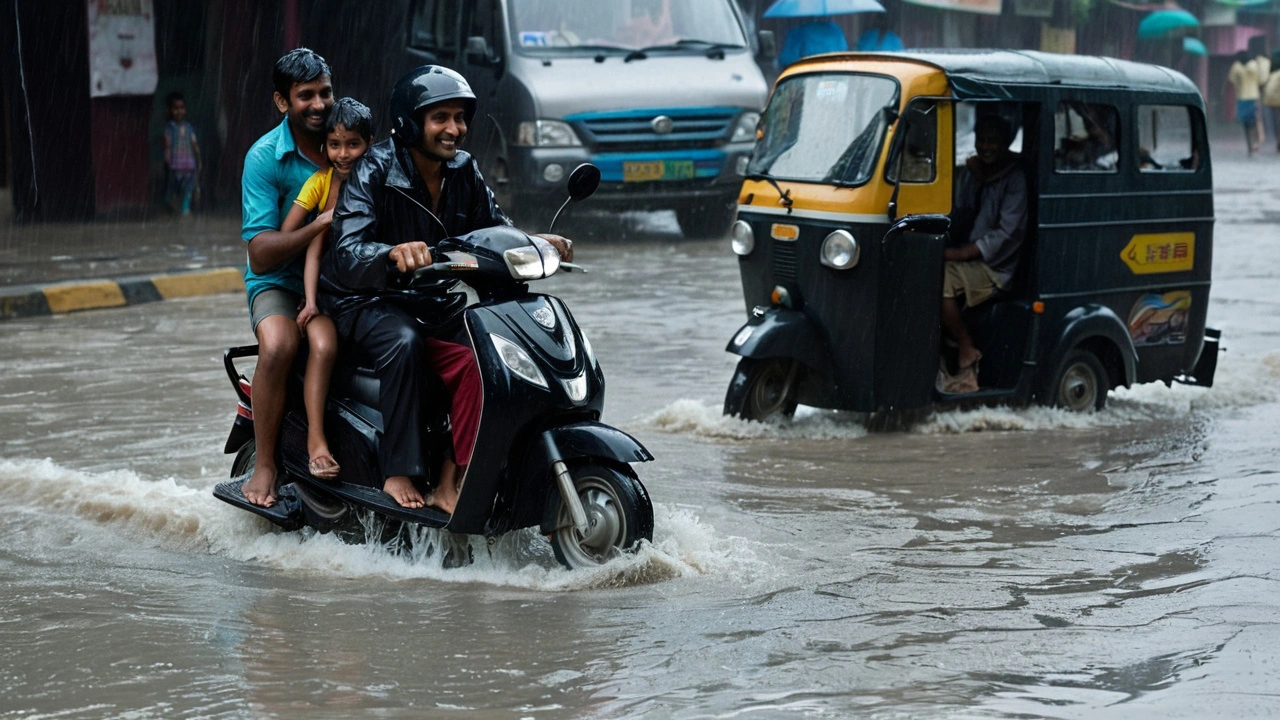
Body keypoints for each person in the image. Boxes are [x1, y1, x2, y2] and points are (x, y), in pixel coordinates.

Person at [319, 65, 574, 513]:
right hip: (364, 300)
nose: (454, 129)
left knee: (489, 349)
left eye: (459, 117)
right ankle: (399, 470)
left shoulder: (464, 169)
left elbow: (494, 229)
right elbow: (348, 252)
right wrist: (391, 253)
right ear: (409, 122)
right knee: (404, 341)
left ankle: (453, 477)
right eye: (441, 118)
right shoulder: (373, 170)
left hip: (429, 298)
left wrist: (535, 242)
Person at [240, 48, 336, 507]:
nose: (319, 105)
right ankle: (265, 463)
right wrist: (318, 224)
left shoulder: (351, 144)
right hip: (279, 284)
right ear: (283, 102)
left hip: (341, 283)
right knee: (279, 345)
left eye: (325, 92)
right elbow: (260, 255)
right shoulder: (264, 158)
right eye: (306, 96)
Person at [276, 97, 374, 482]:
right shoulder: (320, 183)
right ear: (324, 147)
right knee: (323, 346)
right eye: (335, 145)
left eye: (353, 144)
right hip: (327, 296)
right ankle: (316, 439)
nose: (343, 153)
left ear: (370, 143)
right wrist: (312, 302)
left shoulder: (379, 180)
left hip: (368, 297)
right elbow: (299, 242)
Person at [939, 114, 1027, 393]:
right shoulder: (971, 173)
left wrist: (963, 253)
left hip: (994, 266)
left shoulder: (1014, 178)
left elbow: (1007, 233)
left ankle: (967, 347)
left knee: (941, 279)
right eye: (982, 141)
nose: (986, 147)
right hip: (966, 254)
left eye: (993, 142)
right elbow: (960, 212)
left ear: (1005, 144)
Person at [163, 91, 201, 216]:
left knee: (189, 188)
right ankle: (173, 207)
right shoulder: (169, 127)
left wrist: (199, 159)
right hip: (175, 164)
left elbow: (194, 143)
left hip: (189, 164)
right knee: (174, 188)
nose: (179, 111)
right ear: (170, 110)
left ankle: (185, 209)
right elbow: (167, 145)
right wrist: (167, 159)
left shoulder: (189, 127)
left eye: (182, 108)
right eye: (176, 108)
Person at [1228, 51, 1260, 155]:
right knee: (1254, 122)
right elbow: (1260, 79)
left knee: (1246, 124)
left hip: (1242, 96)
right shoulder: (1254, 65)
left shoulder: (1236, 66)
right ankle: (1255, 143)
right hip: (1253, 96)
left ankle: (1250, 146)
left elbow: (1231, 79)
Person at [778, 19, 848, 68]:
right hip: (836, 73)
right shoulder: (835, 29)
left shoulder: (799, 31)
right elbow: (844, 52)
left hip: (807, 77)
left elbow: (787, 60)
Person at [1264, 51, 1280, 153]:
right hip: (1275, 101)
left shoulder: (1271, 72)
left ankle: (1278, 141)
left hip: (1270, 102)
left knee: (1275, 124)